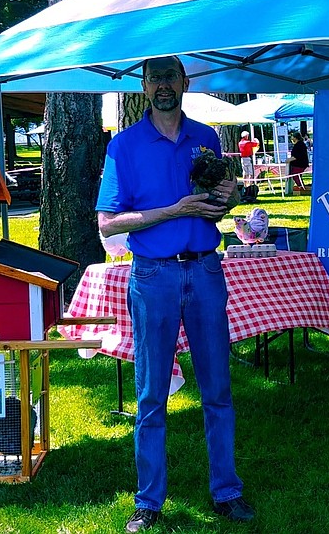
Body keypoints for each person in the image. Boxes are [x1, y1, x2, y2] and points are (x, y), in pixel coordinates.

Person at [97, 56, 254, 532]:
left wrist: (232, 197)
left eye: (171, 77)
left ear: (185, 83)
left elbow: (216, 207)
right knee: (150, 396)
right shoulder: (123, 147)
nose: (163, 86)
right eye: (155, 78)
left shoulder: (207, 138)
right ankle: (148, 502)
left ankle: (227, 491)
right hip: (153, 278)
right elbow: (108, 222)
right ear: (143, 87)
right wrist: (171, 211)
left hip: (206, 272)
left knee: (218, 390)